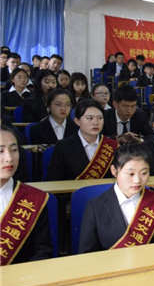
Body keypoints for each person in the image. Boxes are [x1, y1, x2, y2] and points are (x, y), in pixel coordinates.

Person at [78, 140, 154, 253]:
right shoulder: (95, 207)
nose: (137, 180)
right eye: (131, 174)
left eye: (144, 173)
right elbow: (87, 254)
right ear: (114, 171)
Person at [0, 124, 53, 265]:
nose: (9, 158)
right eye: (0, 151)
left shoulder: (33, 199)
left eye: (14, 150)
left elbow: (42, 252)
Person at [47, 99, 118, 180]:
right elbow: (53, 180)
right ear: (77, 121)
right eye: (89, 118)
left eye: (100, 118)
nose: (96, 122)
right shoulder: (63, 147)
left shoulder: (112, 146)